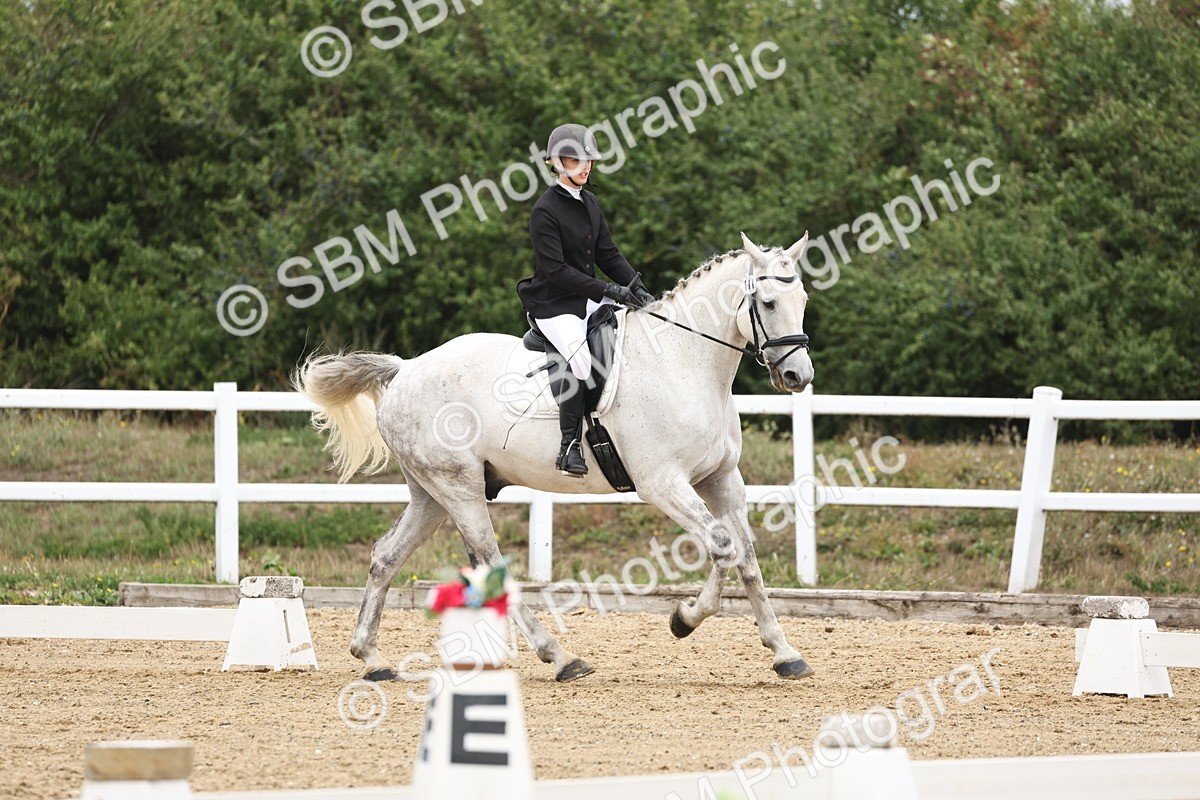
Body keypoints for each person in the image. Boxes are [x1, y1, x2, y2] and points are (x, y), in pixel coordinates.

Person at [517, 123, 655, 477]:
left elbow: (608, 254)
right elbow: (558, 271)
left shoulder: (590, 202)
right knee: (580, 364)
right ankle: (569, 447)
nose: (585, 166)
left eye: (588, 160)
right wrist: (609, 291)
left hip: (587, 298)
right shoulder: (544, 211)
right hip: (554, 303)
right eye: (576, 159)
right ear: (556, 163)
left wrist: (637, 287)